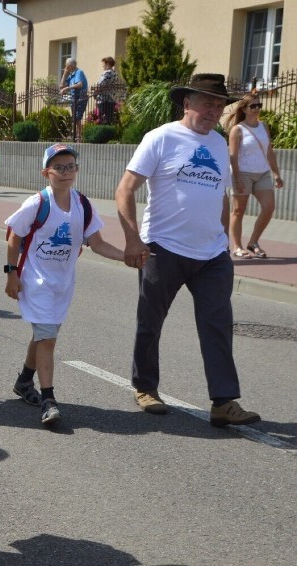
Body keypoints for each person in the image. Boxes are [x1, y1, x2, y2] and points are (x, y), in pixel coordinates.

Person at [115, 73, 261, 427]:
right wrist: (133, 239)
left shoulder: (217, 143)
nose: (214, 110)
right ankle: (145, 387)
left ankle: (223, 402)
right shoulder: (161, 137)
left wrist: (226, 242)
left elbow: (222, 196)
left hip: (211, 255)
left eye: (219, 105)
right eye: (207, 102)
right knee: (150, 322)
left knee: (217, 325)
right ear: (187, 102)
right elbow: (126, 189)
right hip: (163, 249)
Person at [6, 143, 127, 426]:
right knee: (47, 338)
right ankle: (48, 400)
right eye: (58, 167)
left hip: (63, 283)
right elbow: (13, 236)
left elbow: (96, 243)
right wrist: (11, 272)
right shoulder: (37, 203)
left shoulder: (82, 205)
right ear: (45, 172)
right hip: (36, 282)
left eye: (70, 166)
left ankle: (24, 381)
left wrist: (128, 257)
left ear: (77, 170)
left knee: (42, 334)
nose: (65, 172)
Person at [226, 93, 284, 259]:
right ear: (244, 109)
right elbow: (233, 157)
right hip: (243, 173)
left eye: (259, 105)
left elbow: (269, 151)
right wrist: (236, 178)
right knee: (238, 210)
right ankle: (237, 246)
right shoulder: (237, 130)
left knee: (269, 207)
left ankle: (253, 242)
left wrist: (276, 174)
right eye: (253, 106)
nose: (257, 109)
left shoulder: (263, 126)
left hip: (263, 173)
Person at [59, 58, 88, 142]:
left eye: (66, 65)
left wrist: (68, 88)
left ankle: (78, 137)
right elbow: (61, 86)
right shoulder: (71, 75)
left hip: (81, 97)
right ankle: (76, 135)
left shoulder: (79, 72)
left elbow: (80, 84)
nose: (65, 67)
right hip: (74, 99)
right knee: (75, 118)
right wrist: (64, 73)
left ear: (70, 65)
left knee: (77, 117)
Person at [94, 56, 119, 125]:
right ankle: (108, 133)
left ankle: (103, 133)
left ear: (107, 64)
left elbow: (100, 85)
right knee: (109, 119)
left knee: (102, 118)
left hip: (104, 99)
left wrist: (95, 92)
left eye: (103, 64)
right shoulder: (115, 73)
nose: (103, 66)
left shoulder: (107, 73)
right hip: (111, 98)